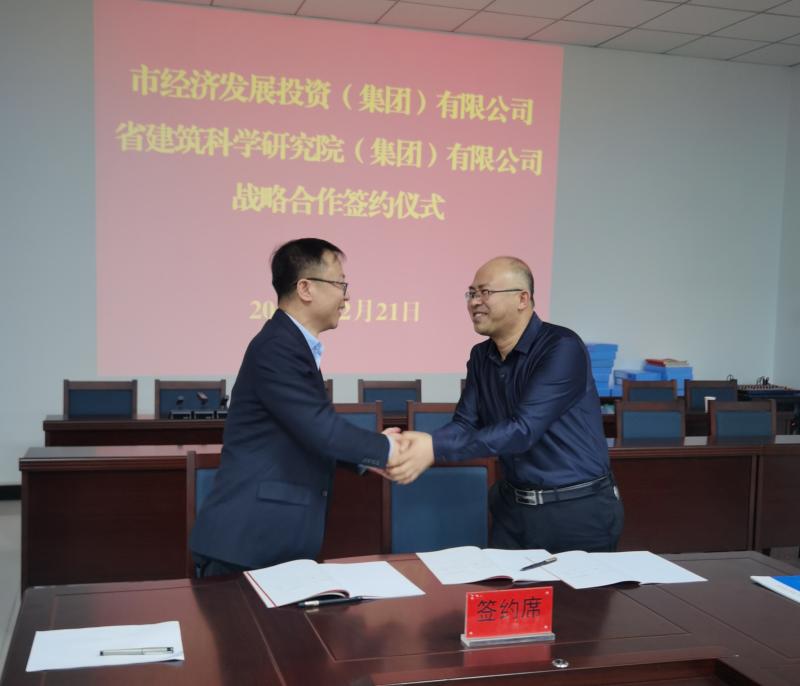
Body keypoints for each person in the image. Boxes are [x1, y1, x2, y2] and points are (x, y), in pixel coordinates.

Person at [190, 238, 399, 576]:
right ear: (305, 288)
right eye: (340, 284)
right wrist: (386, 449)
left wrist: (366, 458)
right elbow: (321, 429)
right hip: (248, 544)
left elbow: (307, 430)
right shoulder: (278, 346)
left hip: (268, 541)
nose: (346, 297)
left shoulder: (289, 343)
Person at [389, 256, 623, 553]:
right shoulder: (481, 356)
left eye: (485, 292)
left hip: (575, 510)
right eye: (471, 293)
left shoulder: (561, 347)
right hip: (513, 511)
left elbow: (523, 429)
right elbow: (464, 423)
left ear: (522, 299)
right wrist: (417, 445)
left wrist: (433, 447)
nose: (474, 302)